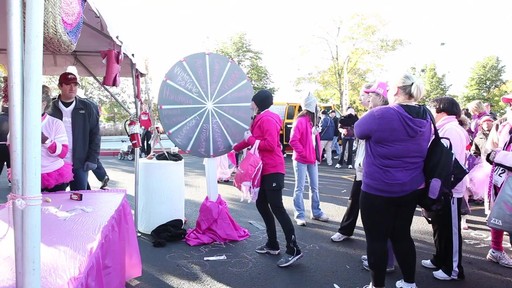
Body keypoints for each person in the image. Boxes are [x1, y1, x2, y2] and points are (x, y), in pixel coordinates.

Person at [356, 72, 430, 288]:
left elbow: (359, 131)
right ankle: (409, 283)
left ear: (397, 90)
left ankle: (376, 285)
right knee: (402, 236)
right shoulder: (426, 116)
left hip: (377, 189)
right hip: (410, 188)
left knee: (377, 240)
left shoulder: (381, 114)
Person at [232, 89, 303, 268]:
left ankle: (293, 248)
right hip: (264, 170)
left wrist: (250, 141)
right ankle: (272, 244)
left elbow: (270, 145)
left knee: (277, 207)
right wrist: (232, 148)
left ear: (257, 103)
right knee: (261, 204)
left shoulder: (268, 118)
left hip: (272, 169)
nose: (250, 105)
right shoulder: (261, 118)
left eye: (252, 102)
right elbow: (251, 139)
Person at [420, 97, 468, 281]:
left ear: (441, 109)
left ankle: (453, 269)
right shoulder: (445, 128)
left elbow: (450, 163)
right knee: (440, 227)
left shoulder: (452, 129)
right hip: (443, 188)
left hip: (450, 189)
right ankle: (440, 258)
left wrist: (443, 187)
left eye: (433, 108)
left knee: (451, 230)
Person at [47, 72, 101, 191]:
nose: (72, 88)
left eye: (75, 84)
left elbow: (95, 135)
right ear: (60, 86)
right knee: (55, 199)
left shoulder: (88, 107)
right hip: (55, 163)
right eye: (67, 84)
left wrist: (92, 158)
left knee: (79, 198)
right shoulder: (49, 107)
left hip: (79, 163)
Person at [289, 92, 329, 227]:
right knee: (300, 188)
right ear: (313, 107)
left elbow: (309, 141)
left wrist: (316, 155)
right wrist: (305, 154)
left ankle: (315, 212)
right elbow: (293, 141)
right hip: (302, 159)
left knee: (314, 187)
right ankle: (300, 215)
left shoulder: (312, 121)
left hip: (310, 159)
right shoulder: (301, 121)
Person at [482, 93, 512, 269]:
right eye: (510, 105)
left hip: (504, 171)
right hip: (503, 176)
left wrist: (497, 155)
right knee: (500, 213)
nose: (509, 108)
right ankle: (496, 249)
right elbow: (490, 150)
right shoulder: (504, 126)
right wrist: (495, 155)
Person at [41, 86, 74, 191]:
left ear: (44, 103)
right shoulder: (19, 124)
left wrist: (46, 141)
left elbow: (63, 152)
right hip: (28, 174)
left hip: (54, 173)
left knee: (56, 206)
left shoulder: (55, 123)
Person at [0, 103, 10, 185]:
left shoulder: (0, 118)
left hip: (0, 145)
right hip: (11, 146)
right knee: (11, 165)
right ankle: (12, 181)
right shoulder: (15, 119)